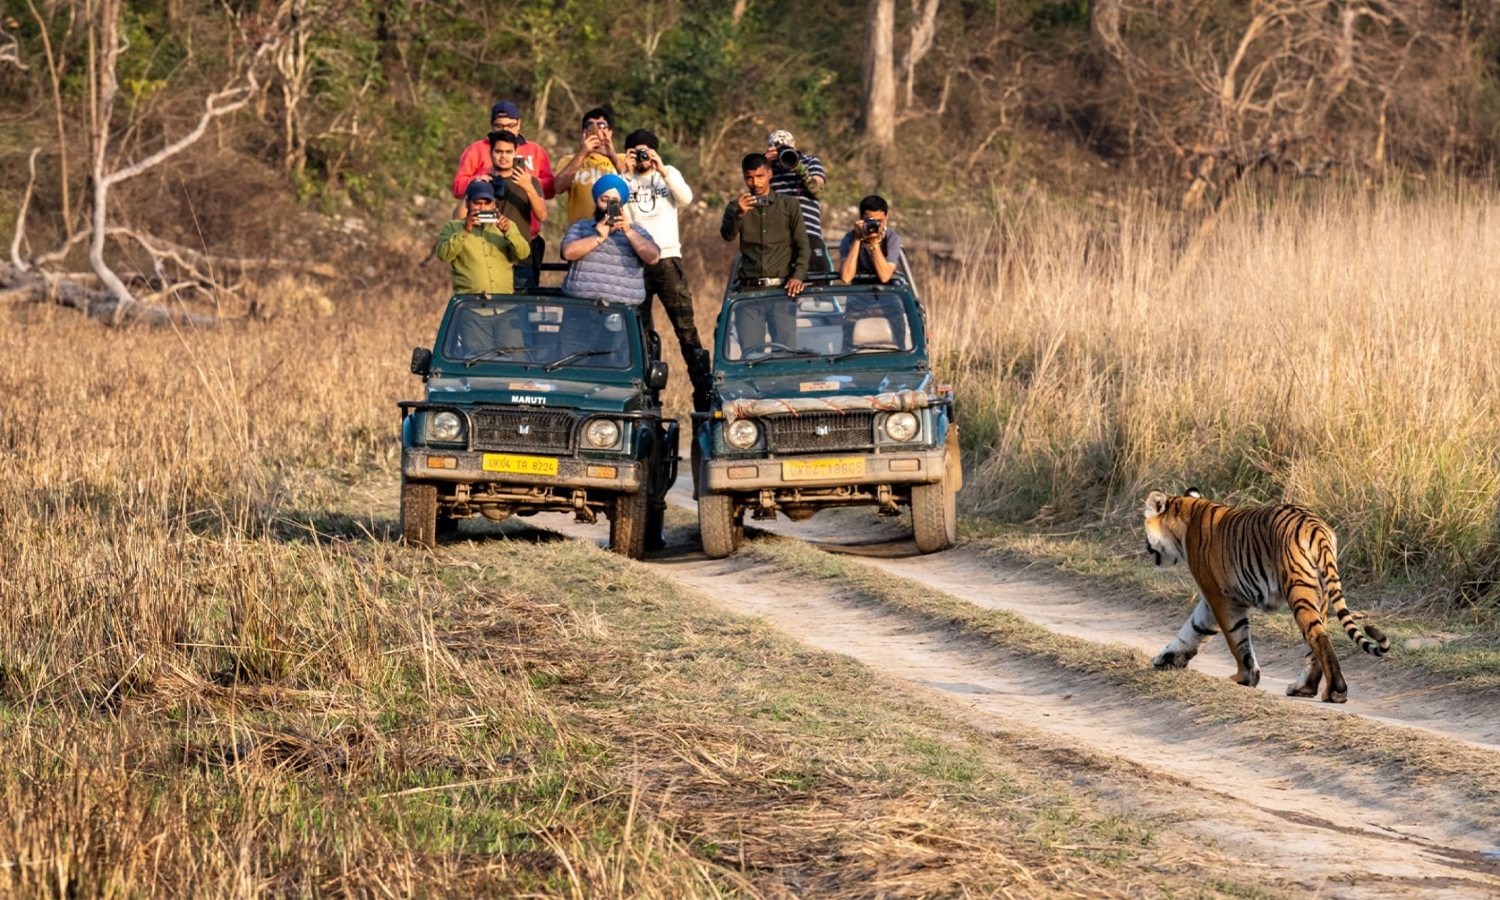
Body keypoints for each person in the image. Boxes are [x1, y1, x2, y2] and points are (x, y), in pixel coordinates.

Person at [620, 128, 710, 410]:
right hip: (635, 262)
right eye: (637, 151)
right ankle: (645, 394)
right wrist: (624, 173)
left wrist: (663, 169)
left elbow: (686, 198)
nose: (643, 156)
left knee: (685, 327)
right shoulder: (624, 179)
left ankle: (702, 388)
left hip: (668, 258)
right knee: (640, 330)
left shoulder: (667, 172)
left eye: (647, 150)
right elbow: (612, 208)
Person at [451, 101, 555, 275]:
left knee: (524, 293)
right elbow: (457, 188)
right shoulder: (476, 150)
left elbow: (549, 191)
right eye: (499, 126)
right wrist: (479, 181)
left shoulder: (536, 151)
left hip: (527, 238)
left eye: (510, 125)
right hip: (485, 241)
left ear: (519, 124)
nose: (505, 130)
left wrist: (527, 184)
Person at [721, 153, 809, 353]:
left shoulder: (789, 205)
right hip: (749, 294)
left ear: (769, 174)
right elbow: (727, 235)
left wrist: (798, 276)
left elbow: (803, 246)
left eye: (760, 176)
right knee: (751, 355)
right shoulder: (736, 206)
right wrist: (740, 215)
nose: (755, 183)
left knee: (785, 354)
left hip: (781, 292)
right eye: (749, 177)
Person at [560, 174, 661, 306]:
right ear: (596, 201)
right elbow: (567, 253)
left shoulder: (637, 231)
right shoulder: (581, 226)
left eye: (614, 201)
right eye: (604, 199)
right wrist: (598, 238)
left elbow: (653, 258)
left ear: (622, 204)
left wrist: (629, 232)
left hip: (621, 311)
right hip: (580, 306)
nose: (608, 205)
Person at [435, 180, 532, 294]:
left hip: (503, 305)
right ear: (467, 203)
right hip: (470, 305)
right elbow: (444, 256)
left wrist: (508, 231)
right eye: (477, 203)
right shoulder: (452, 227)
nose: (482, 208)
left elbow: (523, 254)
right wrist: (465, 231)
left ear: (494, 204)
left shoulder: (507, 225)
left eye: (487, 203)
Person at [482, 131, 548, 290]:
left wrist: (528, 188)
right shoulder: (482, 181)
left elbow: (542, 215)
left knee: (523, 313)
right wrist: (475, 187)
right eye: (498, 151)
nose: (503, 156)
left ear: (516, 153)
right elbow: (459, 217)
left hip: (520, 262)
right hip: (488, 261)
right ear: (491, 153)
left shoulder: (530, 182)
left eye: (508, 152)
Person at [766, 129, 830, 273]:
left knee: (821, 277)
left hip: (809, 232)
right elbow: (755, 188)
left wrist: (799, 168)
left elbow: (818, 192)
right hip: (780, 236)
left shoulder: (810, 162)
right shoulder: (767, 169)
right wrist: (765, 163)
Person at [554, 108, 625, 228]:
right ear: (583, 133)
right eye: (590, 126)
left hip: (614, 228)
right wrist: (582, 153)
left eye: (602, 126)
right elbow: (558, 188)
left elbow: (634, 186)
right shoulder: (569, 160)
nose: (596, 130)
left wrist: (612, 155)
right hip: (580, 231)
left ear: (610, 133)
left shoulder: (622, 159)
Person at [838, 195, 903, 284]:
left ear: (886, 218)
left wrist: (874, 242)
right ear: (861, 218)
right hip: (860, 294)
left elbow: (884, 277)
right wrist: (857, 239)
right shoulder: (849, 238)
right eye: (870, 221)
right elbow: (846, 277)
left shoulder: (892, 238)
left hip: (888, 293)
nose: (875, 225)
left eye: (879, 221)